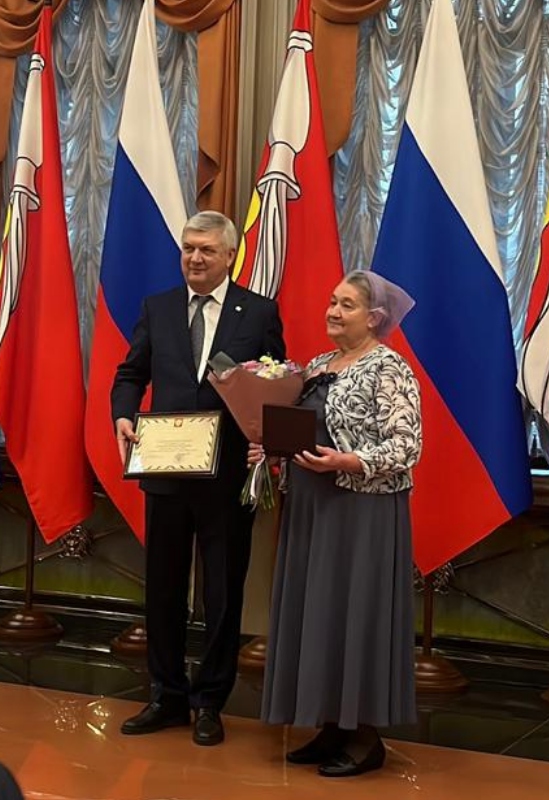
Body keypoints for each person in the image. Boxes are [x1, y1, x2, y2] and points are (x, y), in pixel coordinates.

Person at [112, 210, 286, 746]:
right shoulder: (158, 307)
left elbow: (277, 383)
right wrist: (123, 415)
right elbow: (130, 373)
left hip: (227, 477)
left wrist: (268, 441)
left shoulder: (259, 312)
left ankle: (210, 700)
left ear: (229, 255)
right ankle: (166, 695)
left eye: (206, 250)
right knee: (163, 589)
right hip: (165, 469)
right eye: (188, 248)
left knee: (222, 592)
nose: (194, 258)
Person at [250, 269, 421, 777]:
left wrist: (349, 461)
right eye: (331, 301)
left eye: (346, 305)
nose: (333, 311)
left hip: (361, 512)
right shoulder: (318, 365)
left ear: (374, 318)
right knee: (319, 612)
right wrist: (271, 450)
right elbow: (301, 431)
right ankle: (331, 725)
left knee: (356, 612)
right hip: (310, 507)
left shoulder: (390, 368)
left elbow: (407, 446)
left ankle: (364, 737)